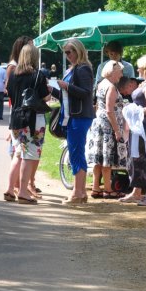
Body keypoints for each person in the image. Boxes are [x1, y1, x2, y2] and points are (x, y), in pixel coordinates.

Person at [5, 42, 50, 204]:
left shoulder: (14, 75)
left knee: (18, 154)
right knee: (29, 156)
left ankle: (10, 189)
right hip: (33, 120)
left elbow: (9, 94)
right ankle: (23, 191)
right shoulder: (38, 76)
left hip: (16, 118)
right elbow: (45, 98)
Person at [53, 38, 94, 204]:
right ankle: (81, 192)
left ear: (78, 51)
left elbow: (86, 92)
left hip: (79, 117)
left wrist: (66, 86)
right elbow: (66, 97)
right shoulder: (74, 69)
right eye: (65, 52)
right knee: (76, 153)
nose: (67, 55)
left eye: (70, 52)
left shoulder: (83, 68)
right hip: (73, 116)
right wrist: (54, 90)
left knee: (76, 153)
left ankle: (77, 193)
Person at [119, 54, 146, 206]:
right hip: (139, 127)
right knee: (136, 159)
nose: (137, 69)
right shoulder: (144, 83)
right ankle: (136, 191)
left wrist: (133, 111)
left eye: (140, 66)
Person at [86, 60, 128, 199]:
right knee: (107, 158)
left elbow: (99, 106)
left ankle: (96, 187)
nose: (121, 75)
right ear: (113, 71)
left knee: (99, 158)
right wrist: (117, 130)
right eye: (120, 71)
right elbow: (110, 110)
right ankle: (108, 189)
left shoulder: (100, 84)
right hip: (108, 126)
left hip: (99, 123)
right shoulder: (111, 87)